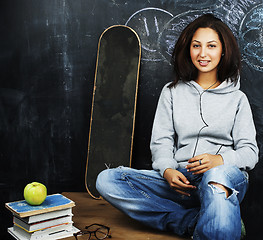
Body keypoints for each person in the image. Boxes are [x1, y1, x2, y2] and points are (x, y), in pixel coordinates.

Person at [96, 14, 258, 240]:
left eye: (211, 46)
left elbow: (250, 153)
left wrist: (219, 161)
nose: (203, 54)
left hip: (223, 179)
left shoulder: (237, 99)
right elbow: (161, 142)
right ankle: (198, 221)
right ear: (188, 49)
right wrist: (168, 170)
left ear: (223, 51)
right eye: (196, 46)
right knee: (107, 180)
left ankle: (216, 218)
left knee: (216, 178)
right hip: (182, 181)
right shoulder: (171, 92)